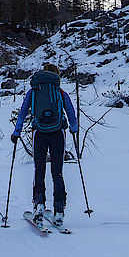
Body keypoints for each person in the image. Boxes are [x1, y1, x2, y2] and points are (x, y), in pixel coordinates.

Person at [11, 63, 78, 227]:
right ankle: (59, 211)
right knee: (57, 173)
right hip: (57, 134)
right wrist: (74, 129)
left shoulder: (34, 91)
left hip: (39, 134)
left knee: (39, 169)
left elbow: (22, 112)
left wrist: (16, 132)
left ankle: (39, 205)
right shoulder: (60, 92)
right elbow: (71, 113)